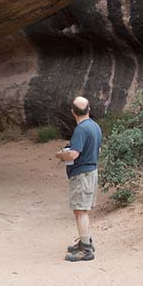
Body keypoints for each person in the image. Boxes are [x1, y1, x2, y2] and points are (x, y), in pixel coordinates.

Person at [55, 96, 102, 262]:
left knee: (80, 211)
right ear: (89, 109)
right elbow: (98, 150)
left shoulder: (81, 130)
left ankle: (86, 250)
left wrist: (61, 155)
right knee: (82, 210)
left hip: (82, 174)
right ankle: (85, 241)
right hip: (91, 171)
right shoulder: (95, 127)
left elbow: (73, 154)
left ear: (73, 112)